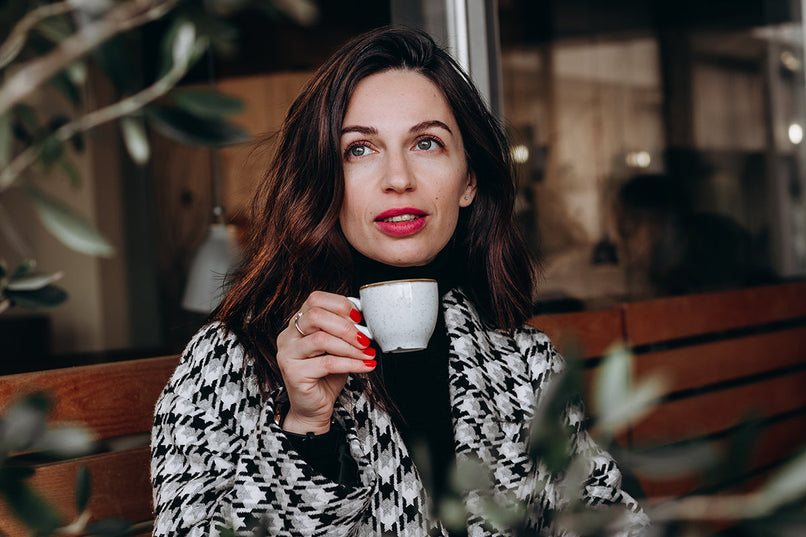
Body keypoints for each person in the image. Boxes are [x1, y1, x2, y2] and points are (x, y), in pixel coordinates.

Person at [151, 26, 649, 537]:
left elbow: (607, 518)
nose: (398, 178)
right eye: (360, 150)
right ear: (324, 178)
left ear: (469, 180)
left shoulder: (522, 363)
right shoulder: (231, 361)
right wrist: (304, 430)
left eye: (427, 143)